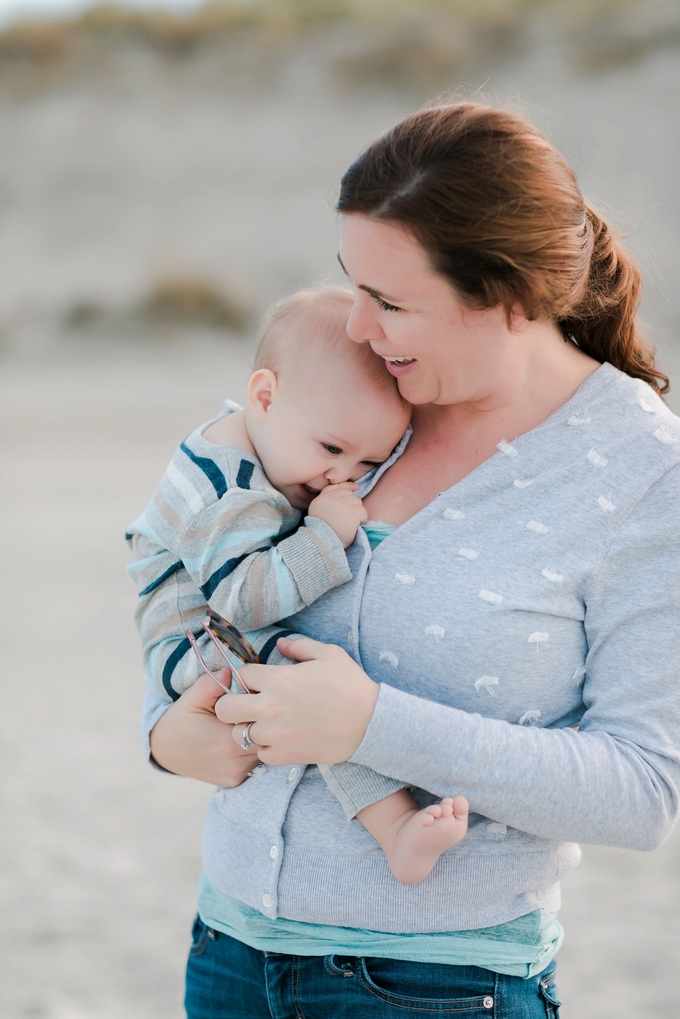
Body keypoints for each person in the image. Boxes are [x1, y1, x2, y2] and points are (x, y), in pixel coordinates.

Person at [141, 102, 680, 1018]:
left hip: (436, 984)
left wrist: (372, 725)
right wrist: (163, 728)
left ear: (506, 299)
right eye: (353, 284)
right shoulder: (352, 396)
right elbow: (197, 568)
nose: (355, 326)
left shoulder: (642, 474)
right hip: (229, 949)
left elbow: (641, 793)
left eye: (389, 302)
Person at [127, 284, 469, 885]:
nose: (343, 475)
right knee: (307, 694)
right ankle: (393, 829)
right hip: (195, 637)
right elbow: (242, 597)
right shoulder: (227, 492)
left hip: (216, 625)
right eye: (332, 448)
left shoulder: (271, 434)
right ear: (264, 396)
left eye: (370, 464)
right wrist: (323, 537)